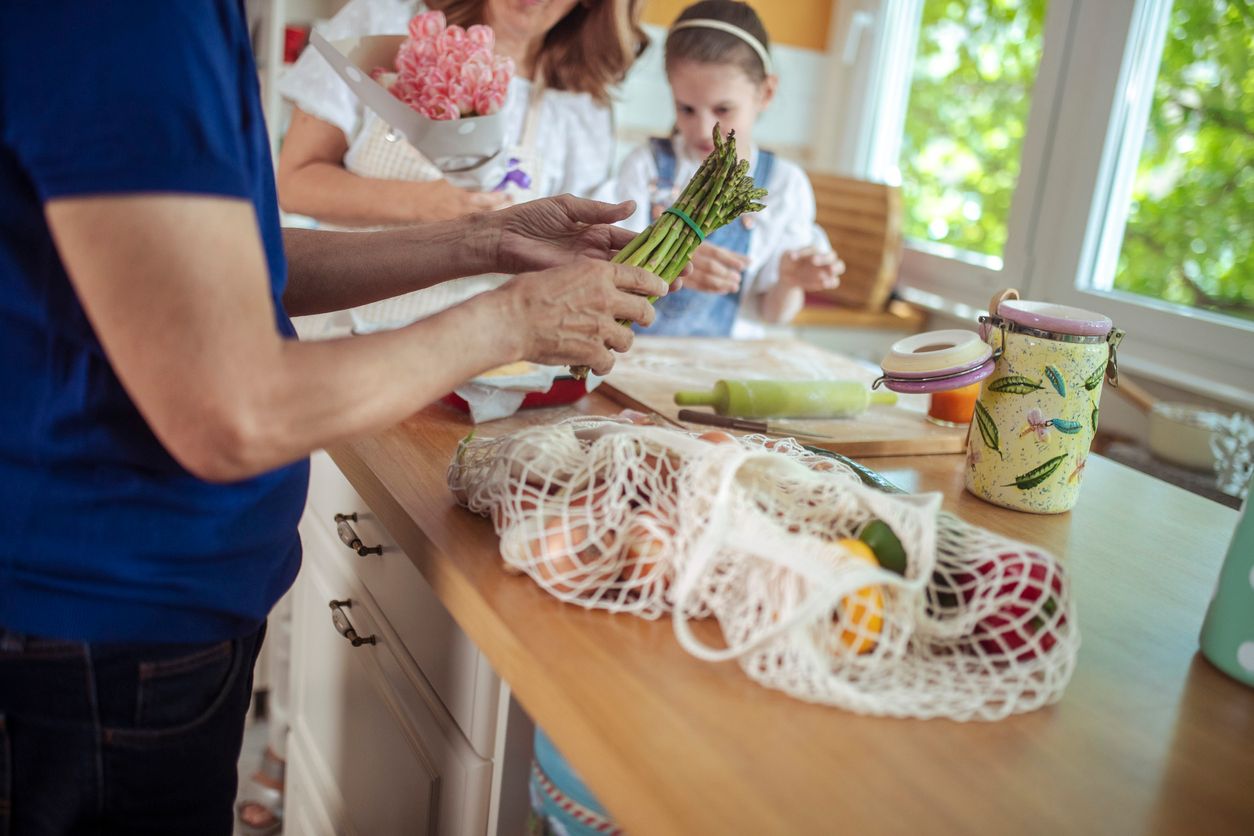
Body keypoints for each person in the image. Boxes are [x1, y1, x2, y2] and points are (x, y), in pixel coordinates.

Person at [0, 3, 669, 833]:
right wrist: (514, 319)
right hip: (92, 625)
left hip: (135, 614)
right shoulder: (134, 21)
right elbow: (233, 414)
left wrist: (486, 242)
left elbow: (240, 263)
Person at [236, 3, 648, 832]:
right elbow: (292, 182)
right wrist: (447, 212)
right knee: (311, 568)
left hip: (487, 392)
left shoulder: (581, 97)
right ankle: (287, 745)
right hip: (350, 365)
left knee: (421, 602)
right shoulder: (385, 22)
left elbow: (552, 265)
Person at [276, 0, 648, 227]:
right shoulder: (379, 23)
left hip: (495, 334)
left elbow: (571, 246)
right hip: (349, 327)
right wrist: (425, 203)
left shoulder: (581, 106)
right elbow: (294, 185)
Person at [614, 0, 844, 339]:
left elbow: (774, 314)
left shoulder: (786, 185)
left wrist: (790, 280)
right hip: (636, 352)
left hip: (733, 358)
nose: (703, 129)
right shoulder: (645, 166)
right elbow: (614, 278)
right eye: (686, 109)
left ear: (766, 93)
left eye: (723, 109)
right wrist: (671, 264)